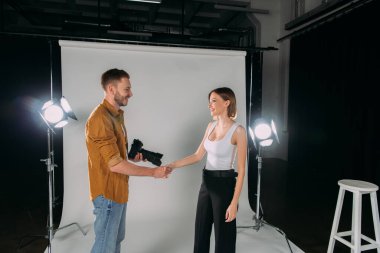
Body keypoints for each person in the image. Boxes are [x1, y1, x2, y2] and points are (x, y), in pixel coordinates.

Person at [85, 68, 171, 253]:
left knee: (115, 242)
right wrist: (153, 173)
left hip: (119, 192)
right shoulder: (100, 119)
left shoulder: (115, 116)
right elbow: (114, 165)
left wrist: (130, 156)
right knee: (105, 247)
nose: (131, 94)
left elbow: (115, 156)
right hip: (108, 194)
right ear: (111, 89)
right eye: (126, 89)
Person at [167, 87, 247, 253]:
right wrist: (172, 165)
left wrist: (234, 203)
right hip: (206, 183)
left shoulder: (238, 131)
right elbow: (197, 155)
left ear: (227, 103)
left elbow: (241, 169)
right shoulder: (210, 126)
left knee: (224, 236)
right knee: (201, 231)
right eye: (209, 101)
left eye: (214, 101)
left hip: (225, 185)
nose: (210, 105)